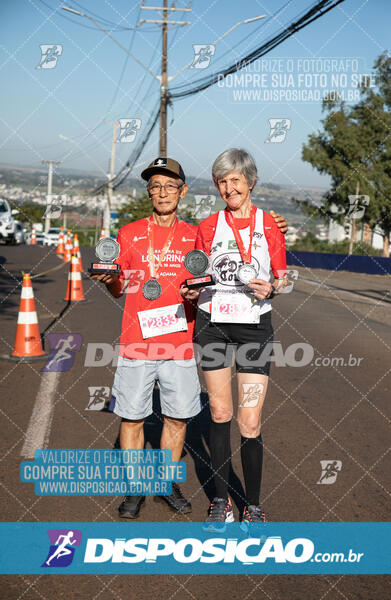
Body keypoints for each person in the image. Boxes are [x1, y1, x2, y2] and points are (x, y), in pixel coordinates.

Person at [92, 156, 288, 521]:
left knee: (177, 418)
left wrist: (272, 225)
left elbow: (240, 242)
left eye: (169, 186)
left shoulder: (196, 233)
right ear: (148, 192)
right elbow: (119, 289)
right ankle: (135, 490)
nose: (162, 192)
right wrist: (110, 281)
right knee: (133, 419)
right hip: (137, 338)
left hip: (181, 339)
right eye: (154, 186)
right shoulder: (129, 232)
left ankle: (165, 483)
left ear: (182, 191)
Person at [188, 148, 288, 530]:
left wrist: (274, 287)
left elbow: (284, 276)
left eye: (235, 180)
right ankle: (220, 500)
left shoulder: (271, 224)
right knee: (219, 414)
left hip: (253, 329)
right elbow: (196, 275)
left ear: (249, 181)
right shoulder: (208, 226)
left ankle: (254, 505)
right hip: (214, 324)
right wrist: (192, 291)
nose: (228, 187)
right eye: (221, 181)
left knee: (249, 420)